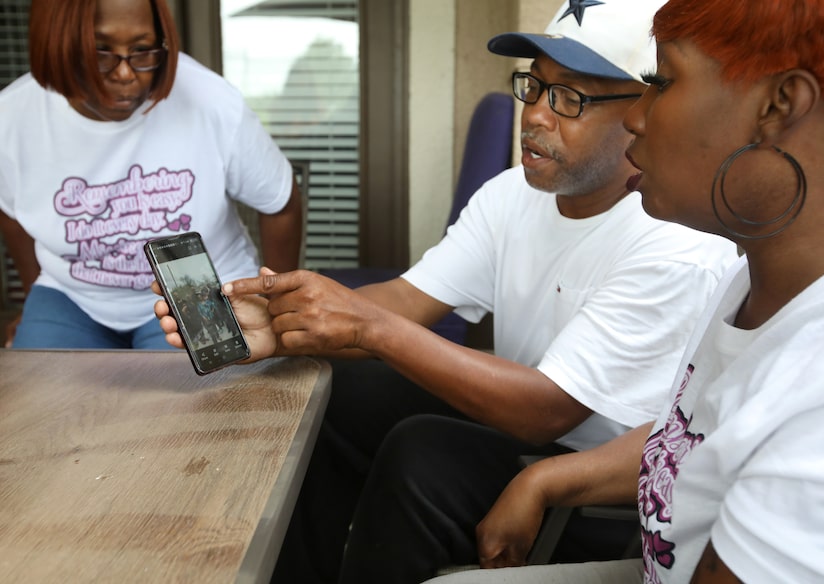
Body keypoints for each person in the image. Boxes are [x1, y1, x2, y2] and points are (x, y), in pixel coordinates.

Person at [154, 1, 738, 582]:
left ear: (641, 112)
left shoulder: (675, 242)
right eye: (533, 88)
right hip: (528, 427)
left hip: (601, 486)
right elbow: (409, 302)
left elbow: (547, 411)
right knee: (336, 381)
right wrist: (281, 324)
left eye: (569, 99)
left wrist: (366, 327)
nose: (534, 116)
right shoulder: (514, 194)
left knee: (422, 455)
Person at [423, 0, 824, 582]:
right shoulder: (752, 280)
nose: (637, 118)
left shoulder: (817, 383)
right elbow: (690, 438)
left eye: (661, 84)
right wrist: (545, 478)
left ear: (778, 106)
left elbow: (548, 410)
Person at [0, 0, 303, 349]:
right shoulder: (13, 117)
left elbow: (280, 201)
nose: (126, 74)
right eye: (101, 52)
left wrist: (276, 308)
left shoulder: (211, 101)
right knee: (41, 398)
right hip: (71, 295)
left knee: (193, 399)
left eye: (142, 50)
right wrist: (32, 299)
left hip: (198, 286)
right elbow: (11, 213)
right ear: (55, 45)